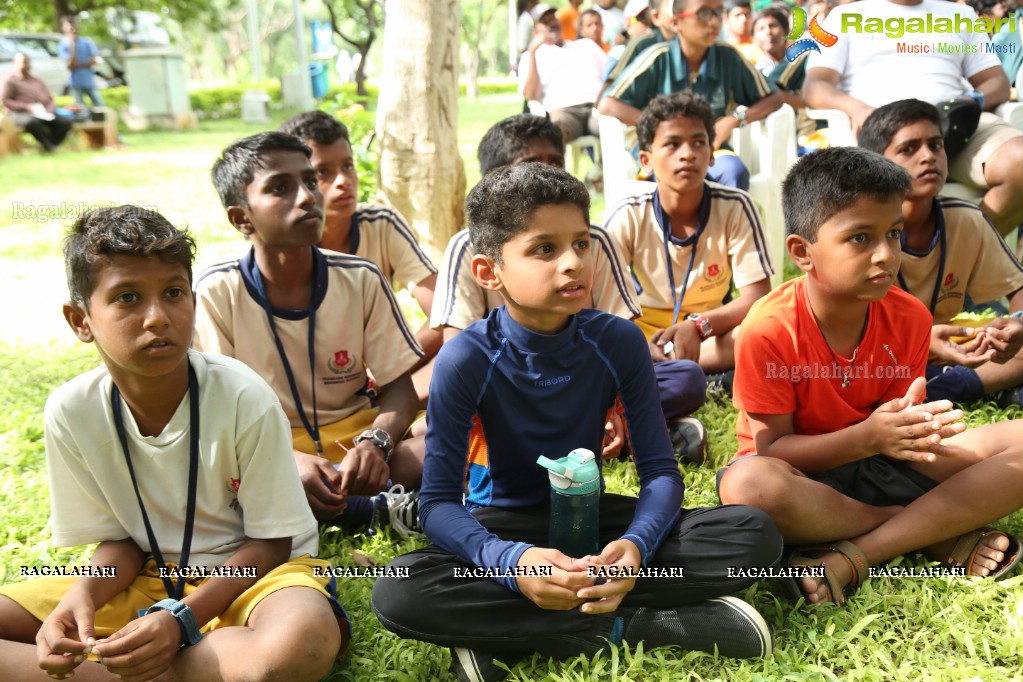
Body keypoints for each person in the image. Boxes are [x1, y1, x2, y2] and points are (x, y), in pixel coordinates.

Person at [372, 163, 783, 682]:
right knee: (399, 589)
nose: (573, 264)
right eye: (544, 249)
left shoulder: (616, 341)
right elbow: (437, 505)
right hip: (503, 527)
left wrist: (634, 548)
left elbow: (659, 472)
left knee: (753, 534)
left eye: (582, 244)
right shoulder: (468, 358)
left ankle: (515, 630)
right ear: (488, 271)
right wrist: (514, 564)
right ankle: (629, 626)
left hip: (588, 524)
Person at [0, 205, 345, 681]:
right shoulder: (72, 409)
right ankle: (182, 668)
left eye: (174, 292)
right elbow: (119, 543)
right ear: (80, 320)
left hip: (258, 576)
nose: (157, 316)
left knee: (294, 646)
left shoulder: (243, 395)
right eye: (127, 297)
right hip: (145, 576)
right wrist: (83, 595)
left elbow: (270, 543)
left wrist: (180, 621)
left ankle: (128, 667)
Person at [717, 147, 1023, 607]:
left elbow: (895, 433)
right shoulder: (768, 329)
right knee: (747, 486)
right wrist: (869, 437)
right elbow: (773, 448)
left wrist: (915, 429)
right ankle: (923, 530)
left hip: (880, 460)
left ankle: (853, 554)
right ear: (802, 252)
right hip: (799, 475)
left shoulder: (911, 317)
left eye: (894, 234)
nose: (886, 254)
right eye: (860, 238)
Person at [432, 113, 708, 461]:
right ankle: (631, 432)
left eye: (557, 163)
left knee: (686, 378)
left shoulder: (595, 241)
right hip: (507, 388)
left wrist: (613, 404)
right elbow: (457, 348)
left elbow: (622, 335)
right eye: (532, 164)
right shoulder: (467, 248)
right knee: (437, 420)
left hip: (587, 383)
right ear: (496, 179)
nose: (551, 174)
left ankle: (610, 426)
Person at [194, 132, 424, 536]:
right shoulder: (216, 292)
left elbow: (400, 389)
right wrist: (286, 460)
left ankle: (342, 502)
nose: (306, 198)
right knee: (206, 470)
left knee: (454, 439)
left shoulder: (360, 277)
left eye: (309, 181)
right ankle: (370, 509)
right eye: (280, 188)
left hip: (356, 436)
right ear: (241, 218)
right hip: (264, 448)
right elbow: (216, 415)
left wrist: (376, 443)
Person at [803, 0, 1023, 237]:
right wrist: (856, 108)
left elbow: (997, 82)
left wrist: (973, 100)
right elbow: (815, 86)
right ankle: (922, 260)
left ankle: (962, 254)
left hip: (956, 127)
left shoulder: (962, 14)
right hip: (883, 132)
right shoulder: (845, 16)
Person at [857, 99, 1023, 407]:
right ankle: (966, 385)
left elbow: (1017, 289)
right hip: (874, 355)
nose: (928, 157)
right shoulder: (859, 230)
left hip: (943, 346)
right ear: (876, 163)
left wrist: (1017, 322)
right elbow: (840, 327)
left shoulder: (965, 218)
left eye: (936, 145)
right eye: (909, 149)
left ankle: (943, 385)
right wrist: (917, 342)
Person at [604, 92, 773, 386]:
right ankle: (692, 373)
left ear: (711, 153)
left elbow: (757, 296)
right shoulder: (629, 214)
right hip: (645, 334)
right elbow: (601, 302)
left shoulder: (735, 207)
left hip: (710, 332)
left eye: (698, 143)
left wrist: (698, 327)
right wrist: (641, 345)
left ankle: (665, 372)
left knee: (767, 330)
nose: (688, 154)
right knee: (600, 336)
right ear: (646, 160)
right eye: (672, 144)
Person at [279, 110, 442, 403]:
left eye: (348, 166)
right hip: (317, 391)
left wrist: (386, 374)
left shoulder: (380, 223)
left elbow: (443, 313)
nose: (344, 181)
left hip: (386, 376)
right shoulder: (284, 243)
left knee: (460, 353)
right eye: (323, 172)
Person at [599, 0, 784, 190]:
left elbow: (774, 98)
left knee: (733, 173)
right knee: (676, 178)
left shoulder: (727, 56)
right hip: (662, 145)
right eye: (704, 13)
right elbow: (607, 104)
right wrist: (659, 125)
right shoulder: (658, 57)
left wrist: (734, 120)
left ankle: (725, 221)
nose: (714, 22)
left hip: (709, 145)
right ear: (676, 23)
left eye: (718, 12)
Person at [519, 7, 607, 142]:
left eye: (554, 18)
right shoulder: (532, 56)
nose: (553, 23)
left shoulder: (586, 45)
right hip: (564, 111)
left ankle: (608, 163)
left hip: (595, 107)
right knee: (555, 133)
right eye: (546, 22)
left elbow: (610, 74)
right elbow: (531, 96)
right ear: (535, 30)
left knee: (613, 124)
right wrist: (532, 52)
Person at [1, 52, 71, 153]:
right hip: (20, 113)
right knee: (33, 122)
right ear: (15, 63)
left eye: (27, 62)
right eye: (23, 62)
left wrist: (50, 109)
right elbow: (5, 100)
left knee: (64, 122)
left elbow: (49, 99)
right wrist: (26, 106)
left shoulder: (37, 80)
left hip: (43, 112)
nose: (26, 65)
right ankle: (49, 146)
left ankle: (49, 146)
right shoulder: (9, 80)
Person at [59, 15, 105, 108]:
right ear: (63, 27)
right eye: (69, 25)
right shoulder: (63, 44)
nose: (72, 27)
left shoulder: (87, 41)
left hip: (89, 80)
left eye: (73, 24)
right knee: (80, 109)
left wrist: (78, 64)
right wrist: (72, 46)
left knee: (100, 106)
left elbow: (94, 59)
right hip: (75, 82)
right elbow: (70, 65)